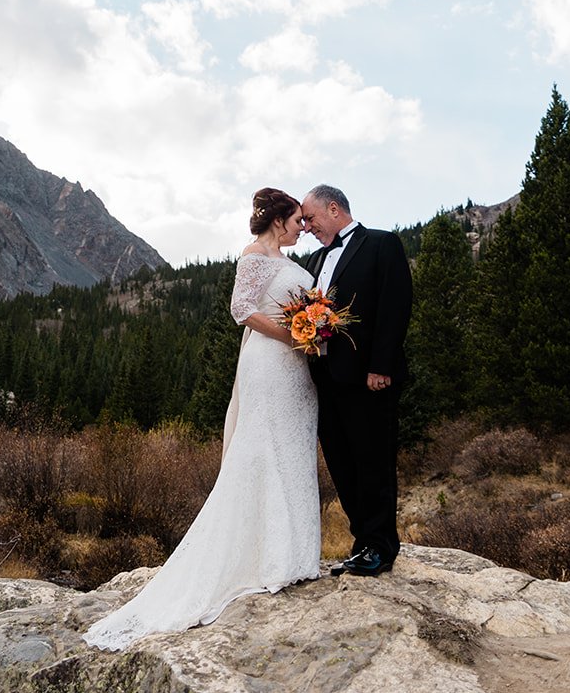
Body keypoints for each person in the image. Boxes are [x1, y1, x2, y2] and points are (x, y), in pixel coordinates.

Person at [83, 188, 321, 651]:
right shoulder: (254, 255)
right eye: (297, 220)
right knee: (262, 449)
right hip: (270, 364)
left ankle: (294, 555)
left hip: (297, 371)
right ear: (278, 220)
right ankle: (264, 560)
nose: (302, 227)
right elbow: (242, 310)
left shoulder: (292, 261)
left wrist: (310, 334)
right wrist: (292, 334)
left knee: (292, 447)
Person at [299, 184, 412, 577]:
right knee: (343, 464)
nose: (307, 226)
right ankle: (362, 542)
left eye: (310, 218)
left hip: (369, 379)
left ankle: (382, 547)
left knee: (373, 462)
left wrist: (380, 367)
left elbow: (395, 307)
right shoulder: (313, 260)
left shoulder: (382, 244)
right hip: (327, 380)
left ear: (334, 209)